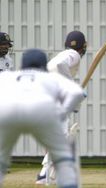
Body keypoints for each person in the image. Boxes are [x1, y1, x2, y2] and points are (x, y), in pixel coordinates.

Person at [0, 49, 85, 188]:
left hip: (10, 110)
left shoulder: (9, 75)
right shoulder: (51, 77)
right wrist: (62, 113)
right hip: (42, 109)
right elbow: (77, 93)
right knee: (62, 157)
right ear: (44, 66)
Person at [37, 30, 88, 184]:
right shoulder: (74, 54)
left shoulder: (62, 55)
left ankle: (47, 174)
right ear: (82, 46)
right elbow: (59, 66)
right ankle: (44, 174)